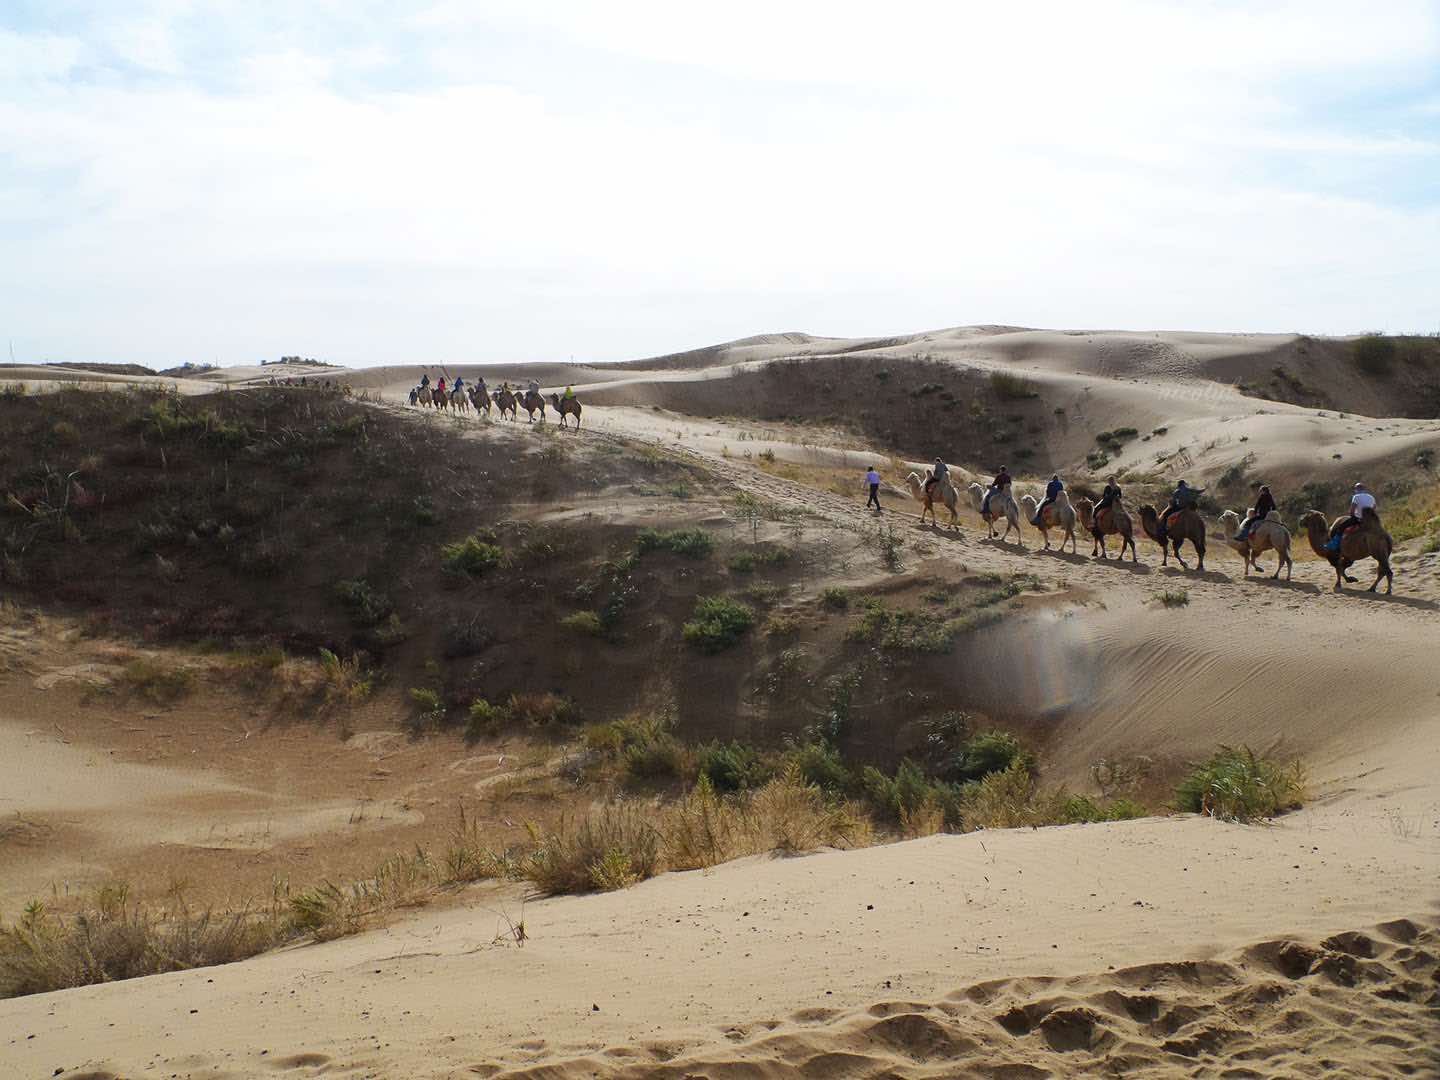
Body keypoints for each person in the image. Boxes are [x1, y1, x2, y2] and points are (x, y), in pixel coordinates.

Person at [1326, 483, 1377, 552]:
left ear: (1357, 489)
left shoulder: (1356, 497)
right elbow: (1374, 509)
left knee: (1341, 528)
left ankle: (1334, 545)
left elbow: (1352, 511)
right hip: (1370, 521)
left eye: (1355, 489)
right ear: (1364, 489)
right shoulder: (1371, 497)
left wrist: (1353, 516)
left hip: (1358, 519)